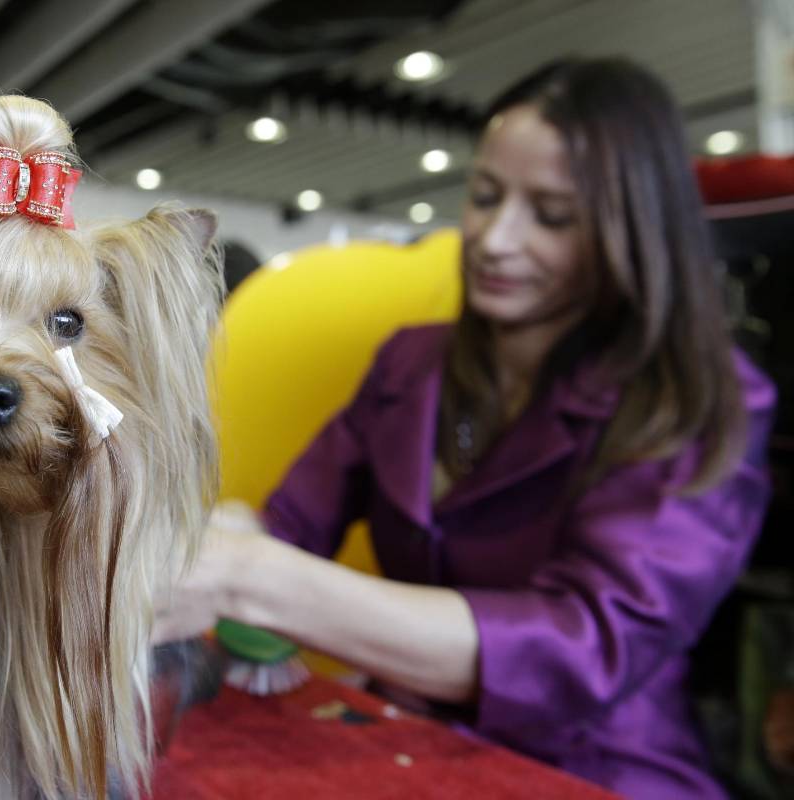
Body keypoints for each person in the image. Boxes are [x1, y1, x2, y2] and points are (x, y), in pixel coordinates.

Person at [153, 57, 776, 799]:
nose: (494, 238)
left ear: (631, 230)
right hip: (400, 739)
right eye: (485, 196)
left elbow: (587, 648)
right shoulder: (410, 362)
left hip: (596, 772)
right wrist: (193, 539)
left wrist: (244, 576)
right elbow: (286, 521)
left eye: (551, 215)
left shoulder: (699, 400)